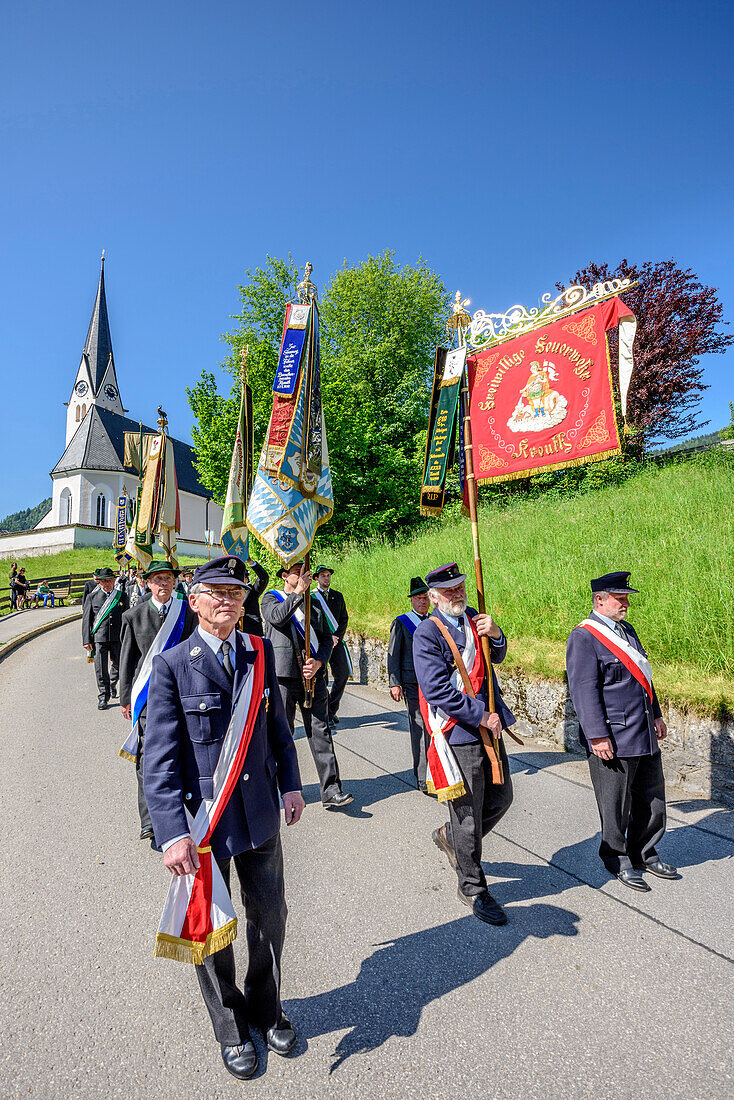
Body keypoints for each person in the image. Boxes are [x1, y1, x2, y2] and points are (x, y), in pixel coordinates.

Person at [144, 555, 305, 1081]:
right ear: (194, 601)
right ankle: (231, 1026)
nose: (227, 600)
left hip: (259, 817)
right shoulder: (172, 666)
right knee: (211, 933)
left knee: (270, 919)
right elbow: (160, 759)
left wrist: (293, 785)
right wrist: (170, 833)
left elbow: (278, 731)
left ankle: (267, 1006)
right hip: (203, 825)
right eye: (215, 591)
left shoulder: (258, 653)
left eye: (235, 592)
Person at [413, 563, 516, 926]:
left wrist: (497, 634)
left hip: (489, 724)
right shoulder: (427, 632)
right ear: (434, 597)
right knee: (468, 815)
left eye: (460, 587)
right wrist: (480, 714)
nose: (458, 595)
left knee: (502, 798)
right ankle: (472, 887)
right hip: (459, 730)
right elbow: (436, 689)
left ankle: (451, 838)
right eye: (450, 591)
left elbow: (495, 658)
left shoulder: (475, 618)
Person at [566, 571, 677, 891]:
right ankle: (616, 857)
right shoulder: (584, 637)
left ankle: (645, 851)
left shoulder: (627, 630)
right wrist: (597, 735)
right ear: (599, 599)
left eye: (627, 597)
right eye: (620, 597)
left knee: (652, 797)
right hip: (612, 736)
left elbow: (644, 677)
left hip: (642, 729)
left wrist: (655, 714)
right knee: (616, 803)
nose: (626, 603)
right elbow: (584, 690)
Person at [261, 562, 352, 809]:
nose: (304, 577)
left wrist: (320, 661)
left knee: (320, 730)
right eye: (297, 573)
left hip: (313, 676)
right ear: (284, 576)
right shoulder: (271, 598)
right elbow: (278, 618)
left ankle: (331, 789)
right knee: (282, 733)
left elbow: (325, 639)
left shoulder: (314, 603)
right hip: (284, 676)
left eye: (306, 573)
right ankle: (279, 788)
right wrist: (298, 593)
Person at [119, 561, 197, 842]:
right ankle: (149, 819)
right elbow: (127, 661)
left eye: (167, 578)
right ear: (148, 583)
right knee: (147, 759)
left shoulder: (187, 613)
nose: (163, 583)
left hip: (183, 694)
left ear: (174, 582)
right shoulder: (134, 616)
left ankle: (187, 812)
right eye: (157, 579)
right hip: (148, 698)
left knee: (186, 751)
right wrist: (125, 698)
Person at [387, 576, 432, 793]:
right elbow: (393, 655)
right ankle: (423, 778)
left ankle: (438, 773)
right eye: (418, 598)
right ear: (411, 600)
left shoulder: (435, 621)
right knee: (420, 729)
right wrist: (394, 683)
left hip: (435, 684)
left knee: (436, 729)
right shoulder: (402, 623)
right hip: (412, 683)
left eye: (426, 597)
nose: (423, 601)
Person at [82, 567, 127, 709]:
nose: (107, 584)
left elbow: (127, 618)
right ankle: (103, 696)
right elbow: (87, 619)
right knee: (100, 669)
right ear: (99, 583)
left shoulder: (121, 596)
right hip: (99, 637)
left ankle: (112, 683)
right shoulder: (92, 597)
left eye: (109, 581)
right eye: (104, 582)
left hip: (117, 636)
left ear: (114, 581)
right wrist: (86, 640)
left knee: (119, 666)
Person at [312, 564, 350, 726]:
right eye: (323, 576)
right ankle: (326, 713)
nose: (326, 578)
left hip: (336, 641)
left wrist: (337, 636)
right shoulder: (312, 597)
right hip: (321, 643)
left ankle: (332, 708)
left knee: (342, 675)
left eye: (328, 575)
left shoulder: (337, 596)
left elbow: (344, 619)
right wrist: (326, 638)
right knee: (322, 678)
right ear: (316, 578)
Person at [241, 556, 269, 637]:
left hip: (252, 631)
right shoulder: (229, 592)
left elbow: (264, 578)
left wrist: (250, 562)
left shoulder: (253, 591)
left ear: (247, 579)